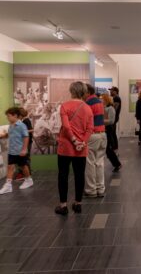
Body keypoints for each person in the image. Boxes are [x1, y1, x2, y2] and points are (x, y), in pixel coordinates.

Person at [55, 82, 93, 215]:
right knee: (79, 175)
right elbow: (90, 129)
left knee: (63, 176)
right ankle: (78, 204)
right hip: (81, 148)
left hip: (65, 146)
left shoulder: (64, 106)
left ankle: (63, 205)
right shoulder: (88, 108)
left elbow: (66, 127)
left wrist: (73, 140)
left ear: (71, 91)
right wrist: (82, 142)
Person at [0, 107, 34, 195]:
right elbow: (10, 134)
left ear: (15, 115)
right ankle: (8, 185)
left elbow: (26, 137)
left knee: (23, 166)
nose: (7, 118)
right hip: (12, 151)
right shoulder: (11, 125)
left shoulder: (21, 125)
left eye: (8, 116)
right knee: (10, 166)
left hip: (20, 150)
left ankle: (28, 180)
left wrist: (24, 149)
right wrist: (4, 135)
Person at [84, 84, 107, 198]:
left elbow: (85, 121)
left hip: (92, 135)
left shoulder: (88, 103)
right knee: (99, 163)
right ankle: (100, 188)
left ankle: (91, 190)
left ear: (87, 92)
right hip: (102, 134)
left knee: (90, 163)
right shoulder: (99, 101)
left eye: (83, 92)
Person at [102, 93, 122, 172]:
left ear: (106, 99)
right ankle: (117, 164)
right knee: (108, 149)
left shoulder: (111, 108)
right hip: (105, 129)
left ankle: (117, 164)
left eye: (102, 99)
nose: (101, 100)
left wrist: (100, 121)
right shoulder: (105, 108)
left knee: (108, 149)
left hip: (108, 129)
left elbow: (111, 121)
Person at [15, 108, 34, 181]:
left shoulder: (26, 120)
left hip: (27, 142)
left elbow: (31, 130)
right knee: (26, 158)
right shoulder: (24, 120)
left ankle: (27, 175)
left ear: (20, 115)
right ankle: (26, 174)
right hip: (26, 142)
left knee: (26, 158)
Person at [109, 86, 121, 153]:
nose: (110, 91)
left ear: (115, 91)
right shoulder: (114, 98)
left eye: (112, 90)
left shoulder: (116, 98)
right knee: (112, 133)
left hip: (114, 118)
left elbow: (114, 109)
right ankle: (114, 147)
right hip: (113, 118)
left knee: (112, 133)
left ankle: (114, 147)